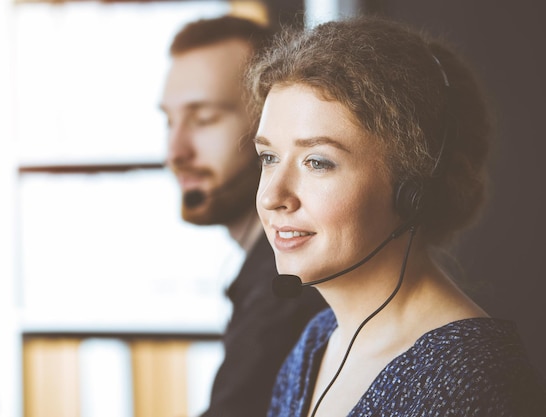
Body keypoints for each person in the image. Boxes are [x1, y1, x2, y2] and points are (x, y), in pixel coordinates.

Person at [246, 16, 546, 417]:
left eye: (317, 162)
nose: (271, 197)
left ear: (412, 190)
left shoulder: (471, 381)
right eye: (269, 157)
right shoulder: (316, 344)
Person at [159, 15, 328, 417]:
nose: (175, 152)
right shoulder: (266, 276)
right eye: (169, 121)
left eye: (203, 119)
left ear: (270, 127)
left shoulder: (286, 292)